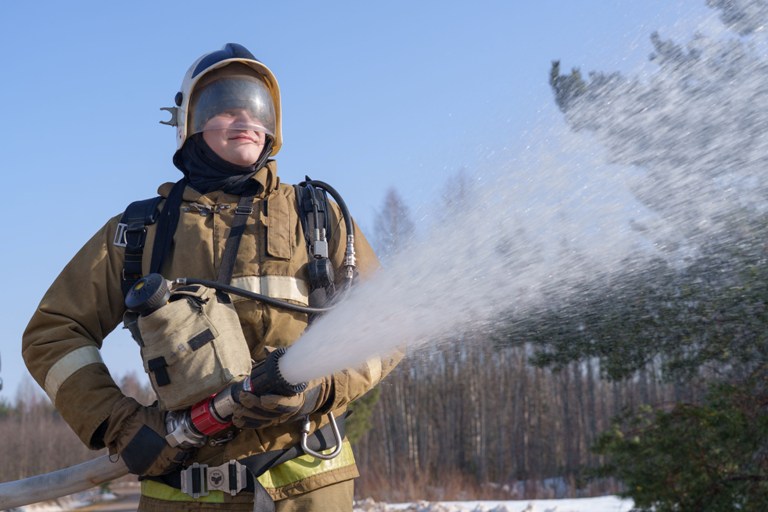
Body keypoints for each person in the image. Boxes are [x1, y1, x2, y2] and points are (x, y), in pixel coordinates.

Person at [22, 43, 401, 511]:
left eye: (256, 109)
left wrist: (319, 390)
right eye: (223, 107)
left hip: (305, 491)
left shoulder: (318, 219)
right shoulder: (138, 231)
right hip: (179, 492)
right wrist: (122, 424)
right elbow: (53, 333)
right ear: (187, 125)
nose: (244, 120)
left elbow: (389, 324)